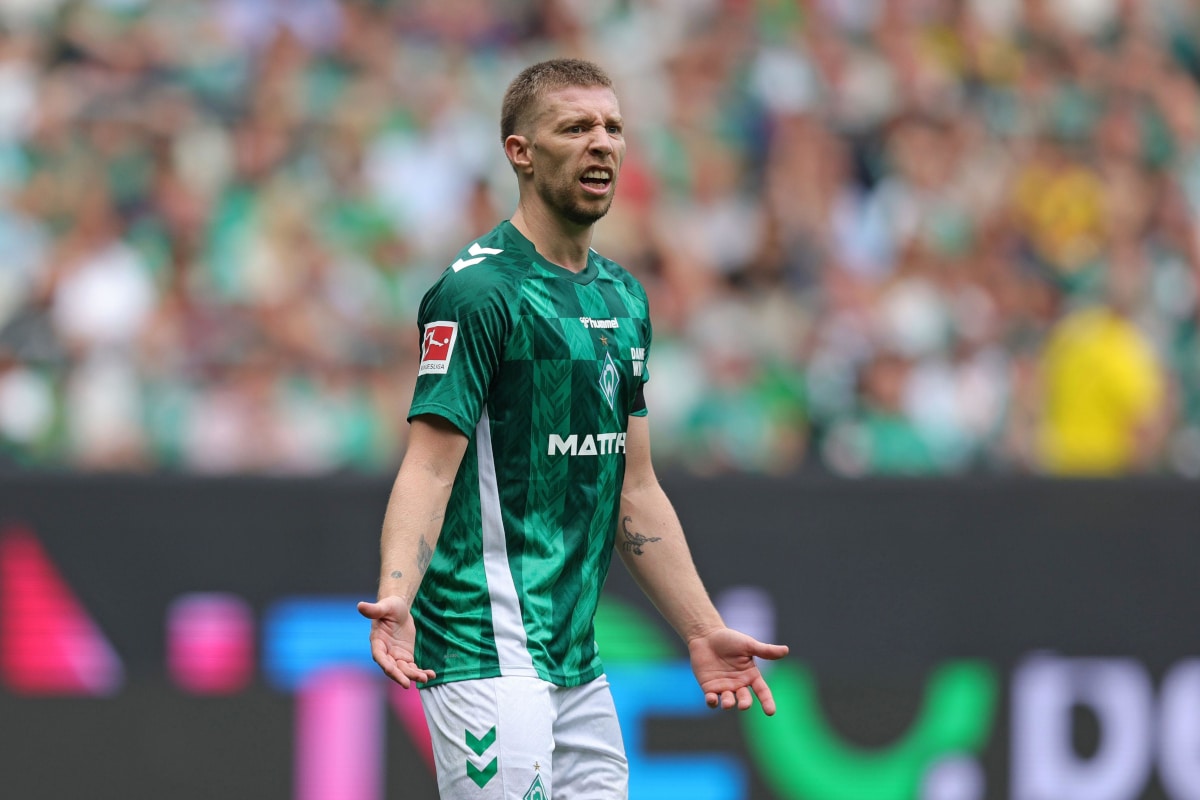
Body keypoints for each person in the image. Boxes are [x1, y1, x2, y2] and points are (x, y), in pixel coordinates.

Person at [357, 58, 788, 800]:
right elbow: (429, 466)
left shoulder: (623, 298)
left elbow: (636, 488)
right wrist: (398, 591)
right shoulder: (478, 292)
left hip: (575, 662)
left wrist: (699, 627)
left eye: (613, 128)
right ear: (519, 151)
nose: (602, 143)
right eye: (576, 127)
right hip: (483, 646)